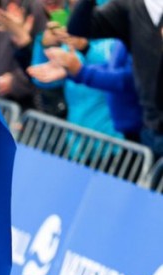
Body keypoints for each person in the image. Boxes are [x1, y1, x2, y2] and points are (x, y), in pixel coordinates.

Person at [67, 0, 163, 158]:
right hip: (153, 129)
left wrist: (82, 72)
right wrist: (78, 70)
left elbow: (126, 78)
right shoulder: (131, 8)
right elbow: (78, 28)